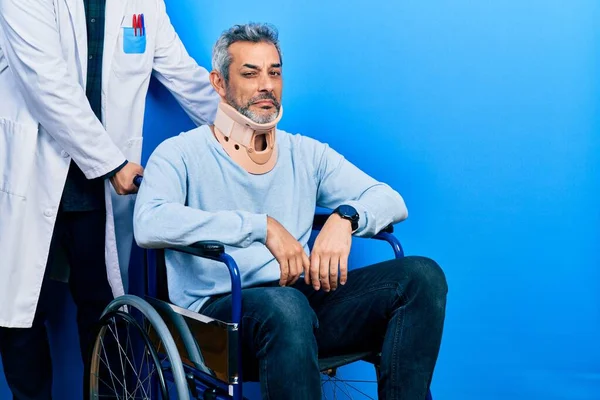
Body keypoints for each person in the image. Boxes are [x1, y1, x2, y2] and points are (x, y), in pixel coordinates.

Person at [134, 23, 447, 399]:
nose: (266, 84)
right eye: (250, 73)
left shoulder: (306, 153)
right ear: (219, 83)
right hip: (217, 317)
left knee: (422, 277)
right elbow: (148, 222)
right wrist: (259, 227)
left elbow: (391, 200)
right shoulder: (180, 153)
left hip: (298, 305)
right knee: (286, 304)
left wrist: (344, 218)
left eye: (274, 72)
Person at [0, 0, 219, 398]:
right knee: (20, 323)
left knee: (106, 316)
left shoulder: (144, 4)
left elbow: (186, 77)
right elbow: (45, 83)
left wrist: (246, 129)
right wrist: (112, 162)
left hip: (97, 194)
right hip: (32, 177)